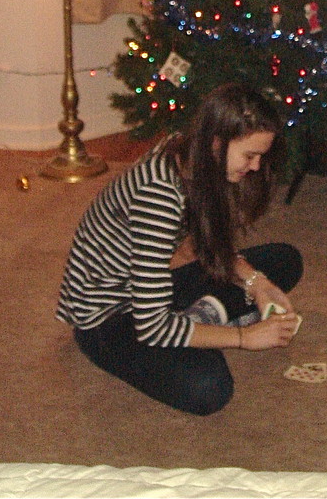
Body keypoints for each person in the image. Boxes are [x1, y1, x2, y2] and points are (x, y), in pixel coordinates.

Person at [57, 83, 303, 415]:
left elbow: (200, 244)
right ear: (217, 144)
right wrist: (245, 337)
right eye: (250, 155)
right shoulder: (158, 196)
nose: (256, 167)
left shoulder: (187, 153)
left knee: (283, 261)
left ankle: (199, 319)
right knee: (208, 387)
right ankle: (202, 322)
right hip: (109, 318)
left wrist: (256, 282)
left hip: (150, 284)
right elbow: (152, 324)